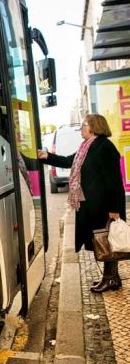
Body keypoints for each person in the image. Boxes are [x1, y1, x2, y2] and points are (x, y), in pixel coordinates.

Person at [37, 114, 126, 293]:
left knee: (107, 240)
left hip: (105, 205)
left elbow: (114, 181)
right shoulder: (86, 147)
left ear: (94, 126)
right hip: (93, 204)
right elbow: (68, 161)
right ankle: (112, 277)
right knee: (101, 240)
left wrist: (114, 209)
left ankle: (110, 278)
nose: (81, 129)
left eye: (84, 125)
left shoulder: (104, 147)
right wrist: (47, 156)